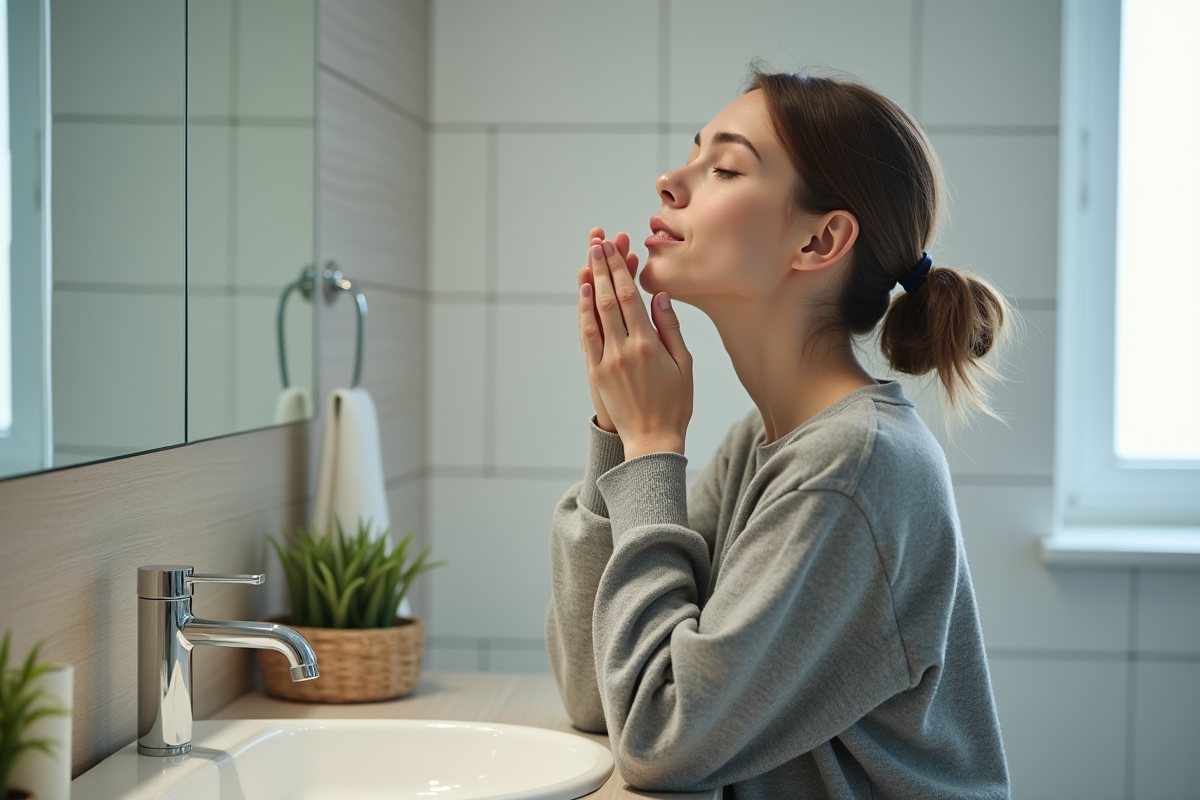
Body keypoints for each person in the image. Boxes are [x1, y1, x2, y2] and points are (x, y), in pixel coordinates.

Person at [544, 70, 1011, 799]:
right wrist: (618, 430)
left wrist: (652, 446)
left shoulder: (855, 466)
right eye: (693, 155)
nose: (670, 181)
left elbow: (660, 741)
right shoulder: (760, 447)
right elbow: (601, 693)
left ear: (820, 240)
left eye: (724, 167)